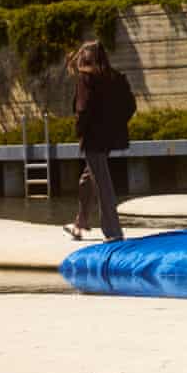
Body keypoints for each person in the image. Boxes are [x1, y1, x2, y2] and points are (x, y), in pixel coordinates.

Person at [62, 41, 136, 243]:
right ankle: (80, 223)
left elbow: (82, 109)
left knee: (102, 182)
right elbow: (131, 106)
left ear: (86, 59)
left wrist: (80, 131)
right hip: (109, 138)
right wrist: (115, 125)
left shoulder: (87, 79)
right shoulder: (116, 78)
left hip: (93, 138)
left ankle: (113, 232)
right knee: (88, 178)